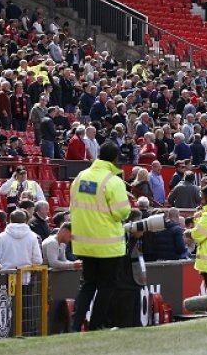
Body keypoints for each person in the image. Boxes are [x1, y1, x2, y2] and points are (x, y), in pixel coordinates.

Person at [70, 141, 131, 332]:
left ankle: (76, 324)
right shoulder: (113, 181)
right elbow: (121, 213)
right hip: (108, 245)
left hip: (83, 244)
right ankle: (96, 326)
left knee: (87, 285)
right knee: (106, 287)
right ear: (115, 159)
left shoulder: (81, 176)